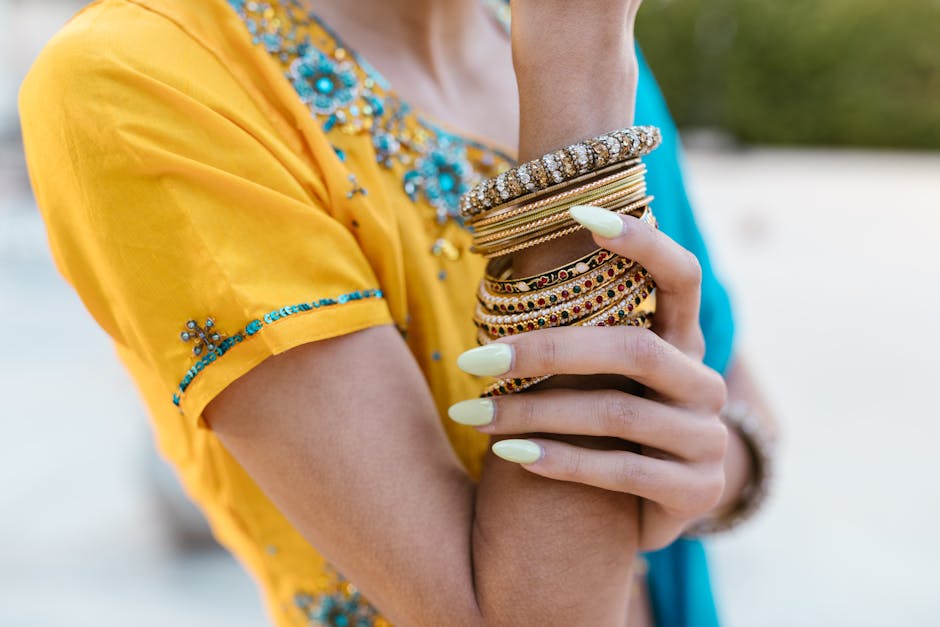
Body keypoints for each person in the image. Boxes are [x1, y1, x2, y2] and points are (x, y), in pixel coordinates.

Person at [20, 0, 776, 625]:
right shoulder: (149, 78)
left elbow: (733, 387)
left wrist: (710, 470)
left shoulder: (596, 55)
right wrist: (574, 83)